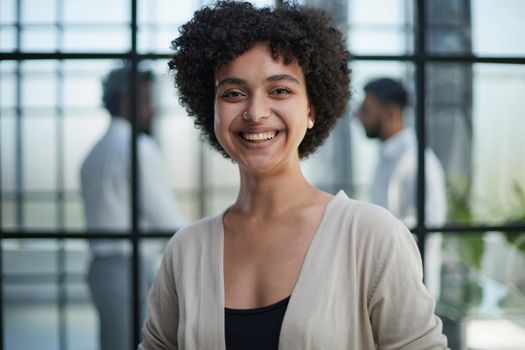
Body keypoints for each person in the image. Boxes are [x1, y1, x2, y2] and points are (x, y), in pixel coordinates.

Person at [139, 2, 447, 349]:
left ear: (312, 108)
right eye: (233, 93)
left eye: (280, 90)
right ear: (211, 109)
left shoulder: (373, 238)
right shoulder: (186, 250)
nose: (255, 112)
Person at [81, 66, 187, 350]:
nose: (152, 110)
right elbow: (165, 218)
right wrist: (203, 245)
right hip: (126, 269)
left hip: (102, 269)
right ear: (128, 102)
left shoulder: (95, 152)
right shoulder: (137, 148)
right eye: (147, 101)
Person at [355, 77, 447, 299]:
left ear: (391, 113)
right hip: (387, 284)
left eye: (366, 110)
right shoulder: (388, 156)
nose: (357, 116)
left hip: (409, 290)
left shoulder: (416, 160)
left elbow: (425, 227)